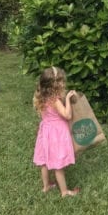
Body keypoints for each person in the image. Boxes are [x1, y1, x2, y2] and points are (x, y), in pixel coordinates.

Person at [33, 66, 79, 197]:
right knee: (58, 165)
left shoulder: (41, 96)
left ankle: (46, 186)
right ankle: (65, 192)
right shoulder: (55, 100)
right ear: (56, 84)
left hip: (45, 132)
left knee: (44, 161)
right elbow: (67, 115)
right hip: (57, 134)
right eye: (61, 81)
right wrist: (68, 100)